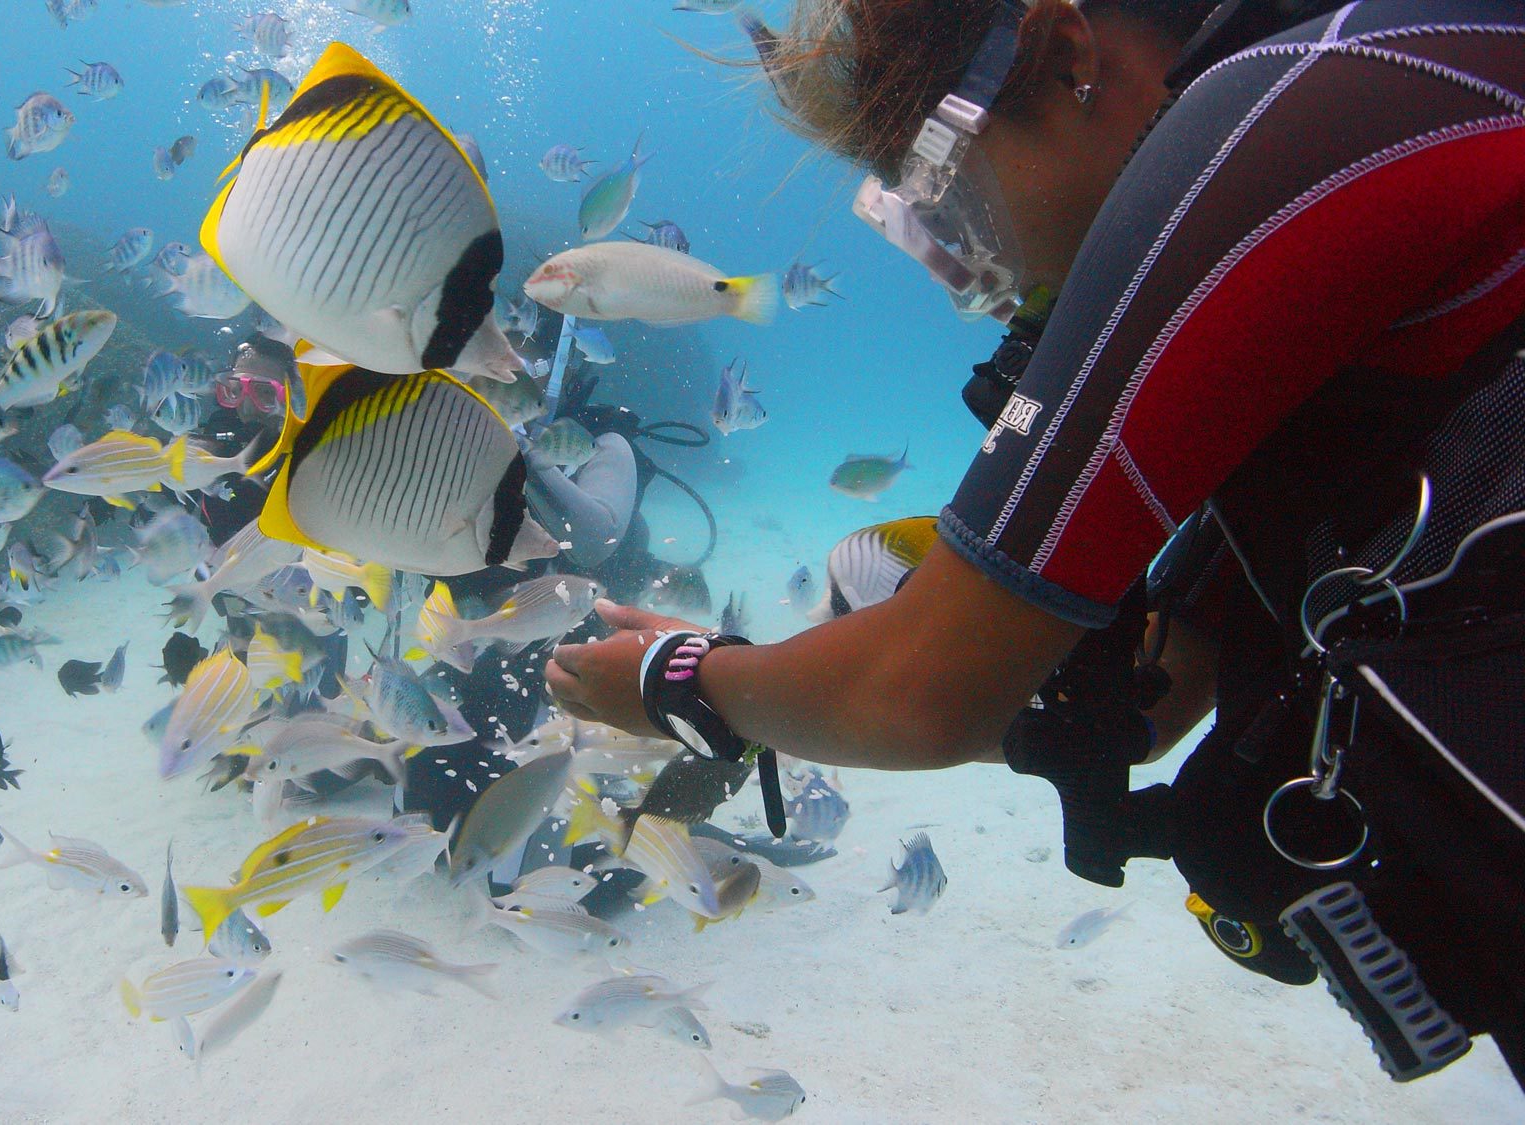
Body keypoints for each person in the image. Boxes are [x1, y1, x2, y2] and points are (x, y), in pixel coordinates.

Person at [546, 0, 1525, 1085]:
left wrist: (675, 682)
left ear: (1063, 55)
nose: (969, 264)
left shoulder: (1270, 124)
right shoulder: (1382, 78)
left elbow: (916, 689)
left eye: (947, 197)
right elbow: (1156, 685)